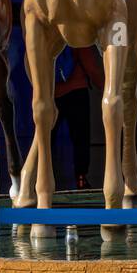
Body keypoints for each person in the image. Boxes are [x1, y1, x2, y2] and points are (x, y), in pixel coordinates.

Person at [53, 46, 105, 190]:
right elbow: (91, 67)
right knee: (81, 138)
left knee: (47, 139)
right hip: (77, 90)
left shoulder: (49, 37)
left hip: (53, 93)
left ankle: (44, 177)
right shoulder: (77, 36)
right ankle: (81, 178)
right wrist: (108, 87)